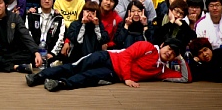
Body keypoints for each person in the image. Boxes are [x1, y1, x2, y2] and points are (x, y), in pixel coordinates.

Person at [25, 38, 189, 91]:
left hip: (113, 74)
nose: (169, 53)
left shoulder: (161, 70)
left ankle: (59, 84)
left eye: (174, 53)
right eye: (169, 48)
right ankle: (38, 77)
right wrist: (128, 78)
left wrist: (181, 59)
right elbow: (126, 56)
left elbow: (185, 78)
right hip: (108, 57)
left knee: (88, 77)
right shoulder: (147, 47)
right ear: (163, 45)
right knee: (75, 67)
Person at [25, 0, 65, 65]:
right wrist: (35, 52)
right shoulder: (32, 15)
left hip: (50, 53)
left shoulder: (58, 18)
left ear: (53, 0)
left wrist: (52, 53)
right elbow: (27, 35)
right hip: (33, 52)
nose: (47, 1)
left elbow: (60, 38)